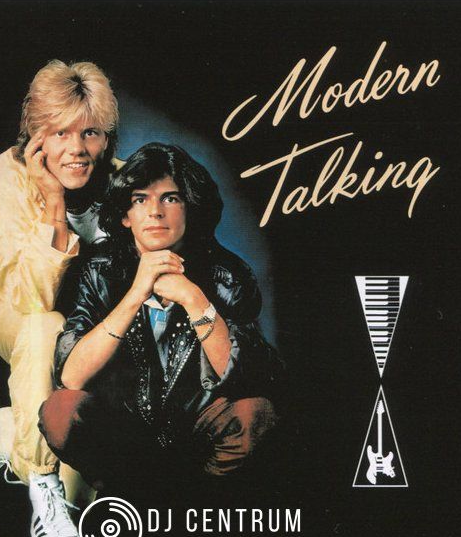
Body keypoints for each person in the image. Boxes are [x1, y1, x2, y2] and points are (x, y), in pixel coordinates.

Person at [39, 143, 281, 499]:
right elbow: (71, 377)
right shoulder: (99, 272)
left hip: (198, 435)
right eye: (140, 200)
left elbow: (248, 380)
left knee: (255, 415)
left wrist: (193, 298)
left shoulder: (227, 275)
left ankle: (195, 499)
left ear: (190, 208)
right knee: (61, 410)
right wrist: (135, 294)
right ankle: (128, 495)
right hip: (124, 435)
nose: (154, 211)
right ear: (125, 215)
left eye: (170, 198)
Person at [0, 60, 120, 537]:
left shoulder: (124, 181)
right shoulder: (4, 178)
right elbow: (31, 296)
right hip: (21, 320)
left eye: (90, 132)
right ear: (36, 137)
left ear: (106, 138)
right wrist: (54, 206)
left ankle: (7, 431)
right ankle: (43, 488)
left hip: (91, 336)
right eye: (60, 133)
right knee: (43, 326)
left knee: (93, 491)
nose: (77, 148)